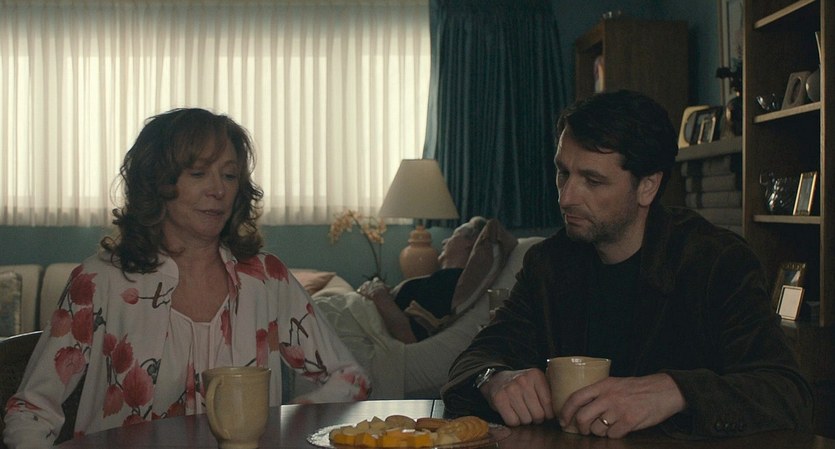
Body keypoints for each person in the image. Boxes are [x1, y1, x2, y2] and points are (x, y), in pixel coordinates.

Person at [441, 90, 813, 439]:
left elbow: (787, 393)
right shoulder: (549, 265)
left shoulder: (716, 262)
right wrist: (494, 379)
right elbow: (474, 359)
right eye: (563, 172)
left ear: (647, 186)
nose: (566, 197)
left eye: (592, 180)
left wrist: (676, 391)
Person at [3, 108, 369, 449]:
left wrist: (283, 427)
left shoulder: (266, 278)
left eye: (229, 175)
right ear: (156, 183)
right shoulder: (100, 281)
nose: (219, 190)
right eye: (198, 173)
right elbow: (31, 410)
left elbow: (348, 378)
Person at [356, 216, 488, 343]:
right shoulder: (443, 278)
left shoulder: (449, 281)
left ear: (470, 242)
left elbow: (409, 335)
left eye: (454, 235)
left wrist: (378, 293)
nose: (444, 241)